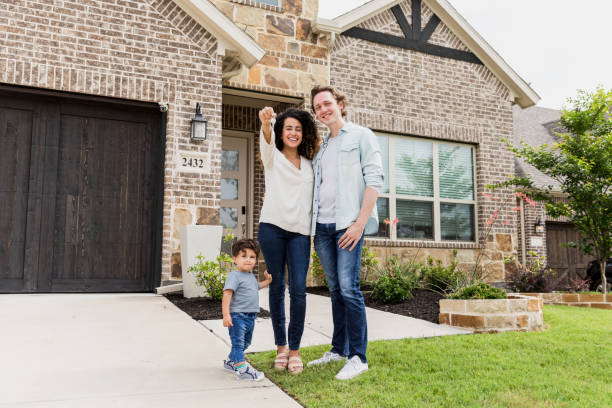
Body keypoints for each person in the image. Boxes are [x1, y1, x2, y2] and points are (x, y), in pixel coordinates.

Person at [306, 85, 384, 380]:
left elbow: (375, 179)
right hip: (322, 227)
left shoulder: (362, 136)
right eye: (318, 108)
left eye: (327, 104)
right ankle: (339, 349)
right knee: (336, 290)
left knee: (349, 288)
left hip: (348, 226)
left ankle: (358, 357)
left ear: (340, 104)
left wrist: (359, 223)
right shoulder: (323, 147)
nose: (323, 110)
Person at [257, 107, 319, 375]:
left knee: (298, 290)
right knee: (276, 285)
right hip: (271, 228)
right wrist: (266, 123)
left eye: (298, 129)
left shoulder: (310, 164)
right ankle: (281, 346)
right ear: (281, 133)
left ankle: (295, 349)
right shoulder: (272, 157)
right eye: (288, 128)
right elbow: (266, 139)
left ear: (303, 133)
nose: (293, 133)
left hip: (300, 234)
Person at [222, 239, 272, 381]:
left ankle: (232, 362)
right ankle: (242, 370)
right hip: (237, 316)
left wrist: (267, 281)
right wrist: (226, 315)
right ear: (235, 258)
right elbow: (227, 294)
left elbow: (256, 287)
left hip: (250, 317)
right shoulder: (234, 276)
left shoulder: (250, 276)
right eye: (244, 256)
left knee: (246, 343)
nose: (248, 260)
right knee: (238, 343)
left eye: (252, 257)